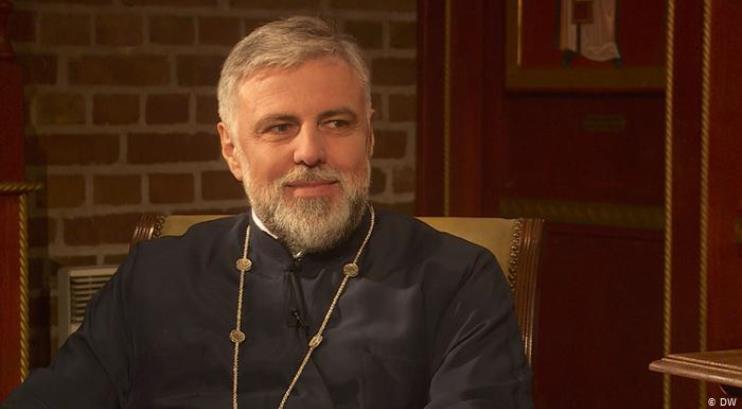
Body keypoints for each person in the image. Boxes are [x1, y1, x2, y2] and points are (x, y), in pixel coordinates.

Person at [2, 16, 532, 409]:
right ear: (231, 150)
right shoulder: (154, 276)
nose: (310, 151)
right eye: (279, 127)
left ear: (370, 134)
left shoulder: (457, 278)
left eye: (337, 123)